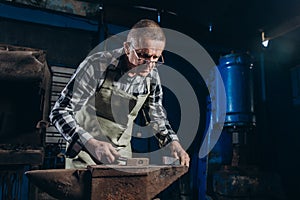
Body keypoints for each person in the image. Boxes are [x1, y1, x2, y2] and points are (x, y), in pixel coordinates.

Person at [49, 19, 190, 169]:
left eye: (156, 58)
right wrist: (91, 144)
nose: (149, 64)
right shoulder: (97, 65)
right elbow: (59, 112)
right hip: (86, 154)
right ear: (127, 48)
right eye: (143, 55)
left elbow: (157, 117)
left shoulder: (152, 76)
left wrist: (173, 142)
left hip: (121, 157)